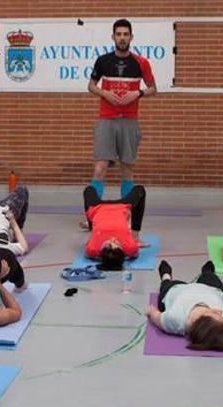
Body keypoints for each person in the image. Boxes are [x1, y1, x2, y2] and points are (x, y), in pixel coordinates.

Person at [87, 18, 157, 200]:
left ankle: (127, 212)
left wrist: (138, 93)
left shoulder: (141, 63)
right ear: (113, 37)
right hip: (106, 120)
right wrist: (105, 93)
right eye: (119, 34)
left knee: (126, 167)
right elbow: (91, 85)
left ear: (131, 37)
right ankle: (92, 214)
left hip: (129, 120)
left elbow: (153, 89)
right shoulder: (103, 61)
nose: (122, 38)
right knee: (100, 167)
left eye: (126, 34)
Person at [145, 260, 223, 352]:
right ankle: (207, 272)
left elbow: (157, 318)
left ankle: (166, 275)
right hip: (212, 291)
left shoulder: (175, 318)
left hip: (178, 290)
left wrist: (151, 312)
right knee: (209, 277)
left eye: (215, 314)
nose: (220, 312)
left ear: (197, 319)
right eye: (221, 316)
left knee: (166, 285)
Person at [82, 184, 147, 271]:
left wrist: (100, 257)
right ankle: (135, 236)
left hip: (98, 207)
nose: (112, 239)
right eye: (117, 244)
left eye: (108, 244)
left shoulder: (93, 249)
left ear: (101, 252)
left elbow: (88, 254)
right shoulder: (130, 247)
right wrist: (126, 254)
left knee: (89, 189)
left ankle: (91, 227)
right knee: (140, 189)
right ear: (123, 252)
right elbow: (135, 254)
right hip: (121, 206)